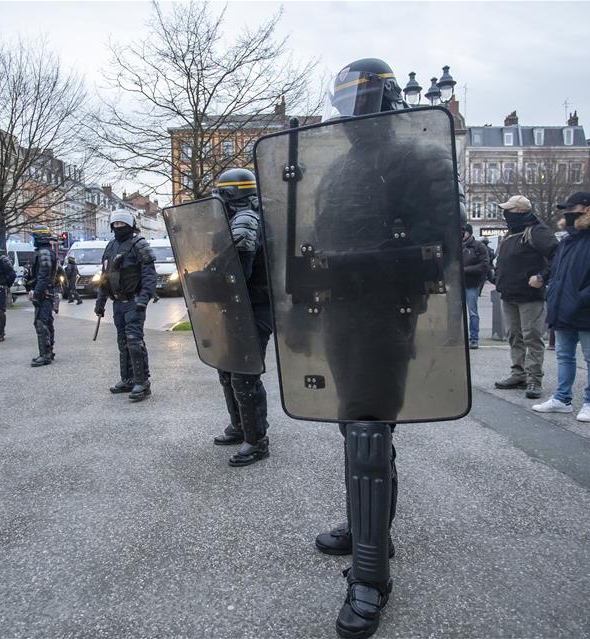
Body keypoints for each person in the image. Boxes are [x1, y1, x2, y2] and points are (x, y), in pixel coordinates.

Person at [256, 58, 466, 639]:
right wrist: (301, 299)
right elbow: (318, 243)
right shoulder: (340, 168)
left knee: (371, 429)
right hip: (343, 315)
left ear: (388, 101)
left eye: (363, 100)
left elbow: (442, 245)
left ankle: (371, 575)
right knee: (355, 425)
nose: (353, 116)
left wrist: (350, 268)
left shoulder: (415, 158)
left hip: (386, 313)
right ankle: (369, 523)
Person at [533, 192, 590, 423]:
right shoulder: (569, 239)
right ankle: (562, 399)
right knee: (564, 355)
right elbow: (558, 271)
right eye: (566, 208)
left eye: (573, 207)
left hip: (589, 307)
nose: (568, 212)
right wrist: (553, 294)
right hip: (564, 307)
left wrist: (581, 298)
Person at [208, 168, 273, 466]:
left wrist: (207, 280)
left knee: (244, 374)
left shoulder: (246, 220)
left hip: (253, 306)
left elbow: (239, 272)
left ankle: (257, 440)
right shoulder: (235, 219)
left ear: (231, 195)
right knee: (228, 370)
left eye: (221, 193)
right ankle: (240, 427)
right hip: (237, 305)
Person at [493, 194, 558, 400]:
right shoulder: (512, 233)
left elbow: (558, 255)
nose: (505, 214)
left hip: (530, 295)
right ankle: (518, 374)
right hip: (509, 293)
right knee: (515, 336)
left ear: (520, 211)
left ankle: (534, 379)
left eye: (509, 210)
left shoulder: (537, 231)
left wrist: (542, 276)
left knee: (532, 337)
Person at [94, 210, 157, 401]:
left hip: (133, 300)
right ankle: (128, 379)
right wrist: (100, 301)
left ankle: (142, 382)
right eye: (116, 224)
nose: (119, 227)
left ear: (130, 225)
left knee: (134, 340)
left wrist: (143, 298)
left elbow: (149, 274)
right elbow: (105, 276)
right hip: (118, 302)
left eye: (123, 224)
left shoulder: (140, 245)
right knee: (123, 342)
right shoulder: (111, 246)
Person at [25, 225, 58, 366]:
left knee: (41, 322)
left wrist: (37, 294)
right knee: (46, 322)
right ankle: (48, 351)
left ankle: (45, 354)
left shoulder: (44, 253)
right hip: (45, 291)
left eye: (34, 237)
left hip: (44, 293)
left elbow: (44, 276)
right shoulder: (44, 252)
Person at [462, 224, 489, 348]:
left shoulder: (479, 246)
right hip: (460, 283)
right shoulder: (457, 245)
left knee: (472, 312)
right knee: (455, 312)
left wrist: (465, 270)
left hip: (471, 283)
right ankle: (458, 337)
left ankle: (474, 338)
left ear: (469, 233)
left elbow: (484, 265)